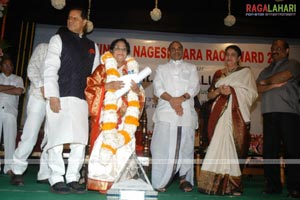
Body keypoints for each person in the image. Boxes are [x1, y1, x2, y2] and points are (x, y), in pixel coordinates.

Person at [43, 7, 100, 194]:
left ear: (84, 22)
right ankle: (57, 177)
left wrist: (93, 101)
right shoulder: (58, 39)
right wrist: (52, 94)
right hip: (60, 96)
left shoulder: (93, 46)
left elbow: (96, 76)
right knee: (57, 139)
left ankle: (73, 177)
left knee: (79, 141)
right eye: (69, 18)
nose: (70, 21)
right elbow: (50, 67)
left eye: (75, 18)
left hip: (81, 99)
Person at [85, 38, 145, 194]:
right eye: (117, 48)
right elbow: (90, 89)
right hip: (107, 118)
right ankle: (103, 182)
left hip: (126, 119)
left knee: (124, 149)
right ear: (111, 51)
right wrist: (107, 86)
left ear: (127, 53)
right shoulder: (102, 69)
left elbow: (141, 97)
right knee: (104, 147)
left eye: (124, 49)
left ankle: (122, 182)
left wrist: (137, 91)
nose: (120, 51)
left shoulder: (132, 71)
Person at [197, 45, 258, 196]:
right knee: (217, 146)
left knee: (232, 148)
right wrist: (218, 90)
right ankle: (211, 184)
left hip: (235, 117)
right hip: (218, 117)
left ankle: (234, 185)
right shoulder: (219, 74)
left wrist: (233, 91)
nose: (229, 58)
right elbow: (210, 96)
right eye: (227, 55)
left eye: (233, 55)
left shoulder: (245, 73)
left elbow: (252, 94)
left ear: (238, 58)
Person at [151, 41, 200, 192]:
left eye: (179, 49)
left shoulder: (191, 68)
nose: (176, 51)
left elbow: (194, 86)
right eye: (173, 49)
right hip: (166, 112)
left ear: (183, 51)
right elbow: (157, 87)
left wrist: (180, 100)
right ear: (169, 51)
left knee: (186, 148)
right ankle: (160, 180)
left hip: (185, 112)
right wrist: (172, 100)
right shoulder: (161, 68)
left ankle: (184, 179)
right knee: (161, 147)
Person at [256, 39, 300, 198]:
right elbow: (256, 88)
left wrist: (267, 82)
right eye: (273, 48)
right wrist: (271, 84)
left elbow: (284, 76)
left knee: (292, 151)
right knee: (269, 152)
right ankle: (273, 186)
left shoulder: (293, 63)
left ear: (287, 50)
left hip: (289, 113)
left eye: (279, 48)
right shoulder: (266, 69)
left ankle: (295, 187)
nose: (275, 50)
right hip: (268, 114)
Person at [10, 43, 50, 185]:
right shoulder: (44, 47)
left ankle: (44, 174)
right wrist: (42, 86)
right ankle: (17, 170)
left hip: (56, 99)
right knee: (30, 135)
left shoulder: (67, 52)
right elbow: (32, 69)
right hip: (38, 96)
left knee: (50, 137)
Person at [0, 56, 24, 175]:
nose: (8, 67)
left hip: (11, 111)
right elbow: (15, 90)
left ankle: (8, 167)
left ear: (13, 67)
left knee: (10, 140)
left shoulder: (18, 78)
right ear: (1, 66)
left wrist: (2, 89)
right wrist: (11, 87)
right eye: (5, 65)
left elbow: (19, 91)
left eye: (10, 65)